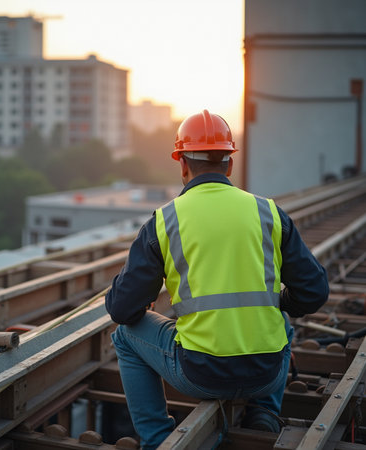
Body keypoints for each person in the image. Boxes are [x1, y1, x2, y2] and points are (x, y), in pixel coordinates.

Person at [105, 110, 329, 449]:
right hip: (266, 375)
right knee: (279, 319)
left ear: (182, 164)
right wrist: (277, 302)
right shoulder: (268, 212)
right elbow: (314, 292)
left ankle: (156, 439)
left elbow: (123, 310)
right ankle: (264, 413)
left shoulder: (164, 222)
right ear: (229, 164)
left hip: (199, 374)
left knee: (124, 336)